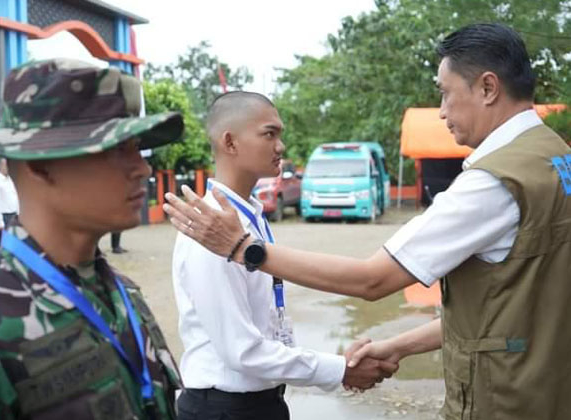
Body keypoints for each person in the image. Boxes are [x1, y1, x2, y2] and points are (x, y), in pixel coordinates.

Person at [163, 23, 571, 420]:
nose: (442, 111)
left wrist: (245, 250)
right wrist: (389, 349)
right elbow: (505, 309)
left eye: (445, 94)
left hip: (508, 397)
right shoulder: (556, 157)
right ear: (230, 141)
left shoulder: (493, 182)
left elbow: (372, 280)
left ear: (487, 87)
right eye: (269, 134)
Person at [0, 58, 184, 420]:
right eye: (117, 148)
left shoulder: (121, 294)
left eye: (137, 146)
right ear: (40, 163)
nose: (143, 168)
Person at [173, 92, 397, 420]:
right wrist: (339, 370)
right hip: (224, 409)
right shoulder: (210, 228)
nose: (281, 146)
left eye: (280, 134)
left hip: (260, 403)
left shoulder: (247, 218)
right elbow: (243, 352)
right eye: (269, 134)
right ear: (230, 142)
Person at [0, 157, 19, 249]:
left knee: (14, 244)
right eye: (5, 165)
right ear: (0, 166)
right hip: (4, 216)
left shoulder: (11, 180)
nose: (7, 168)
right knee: (4, 246)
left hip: (14, 215)